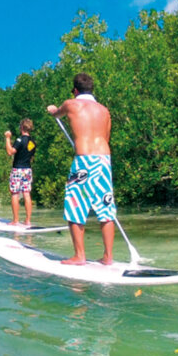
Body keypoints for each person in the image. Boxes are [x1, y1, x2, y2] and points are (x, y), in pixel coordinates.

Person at [47, 72, 115, 265]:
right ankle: (108, 257)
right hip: (104, 158)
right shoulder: (104, 110)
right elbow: (107, 136)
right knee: (106, 206)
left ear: (75, 90)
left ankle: (79, 256)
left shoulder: (71, 104)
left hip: (84, 159)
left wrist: (52, 109)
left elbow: (57, 113)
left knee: (75, 204)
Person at [4, 118, 36, 226]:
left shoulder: (19, 140)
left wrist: (8, 138)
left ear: (21, 127)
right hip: (27, 170)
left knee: (15, 194)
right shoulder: (32, 142)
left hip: (18, 169)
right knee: (27, 194)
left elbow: (10, 152)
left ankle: (15, 220)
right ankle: (28, 220)